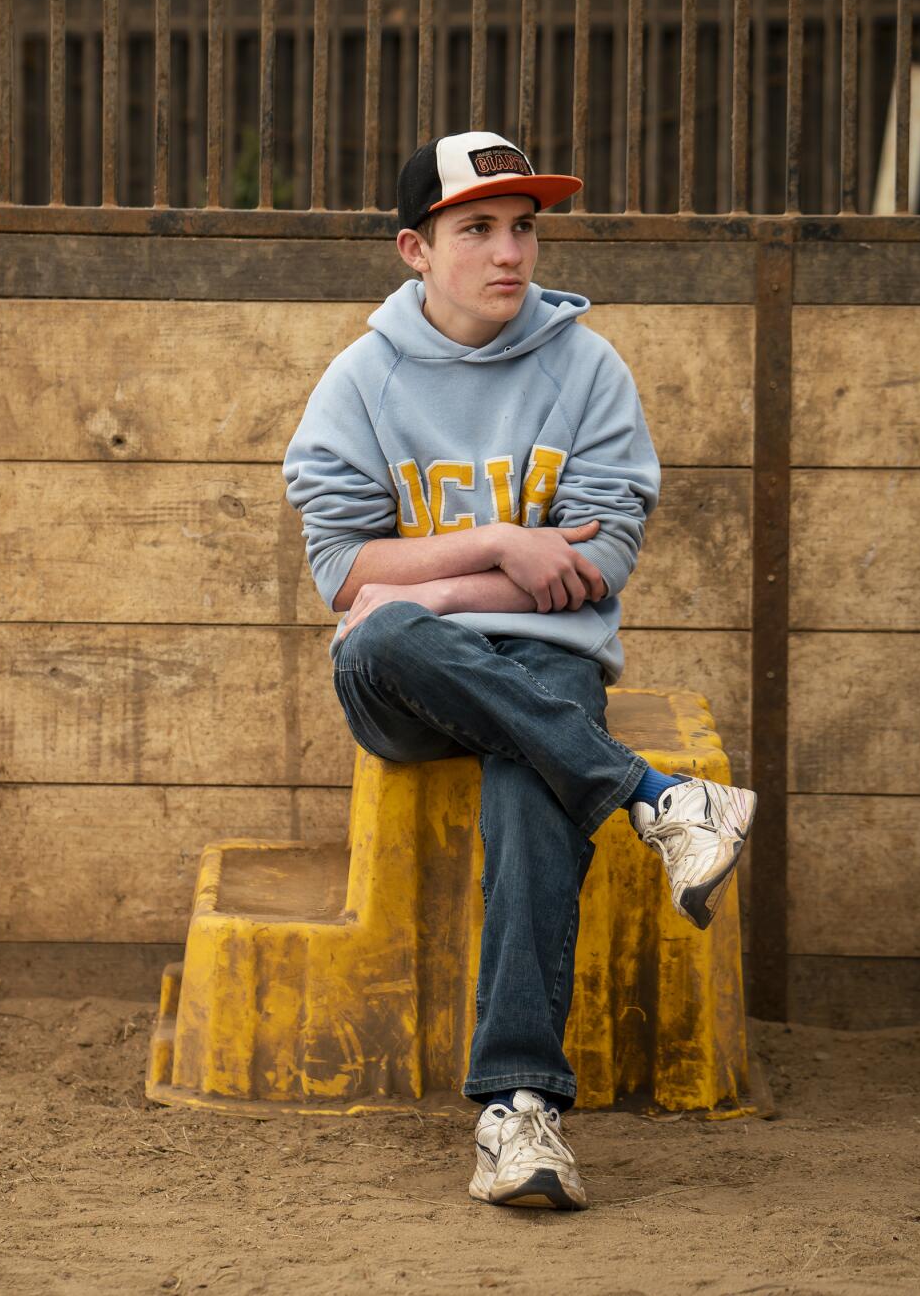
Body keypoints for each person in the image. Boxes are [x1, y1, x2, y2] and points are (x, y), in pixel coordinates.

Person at [281, 130, 758, 1212]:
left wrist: (435, 583)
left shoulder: (586, 367)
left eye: (524, 227)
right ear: (415, 248)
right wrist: (499, 545)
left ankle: (519, 1113)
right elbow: (342, 574)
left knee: (532, 782)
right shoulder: (361, 381)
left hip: (544, 666)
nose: (509, 252)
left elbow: (600, 565)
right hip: (398, 682)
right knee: (389, 636)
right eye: (476, 229)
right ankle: (656, 801)